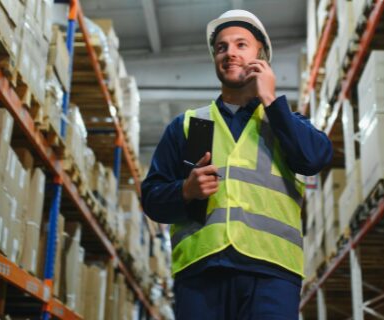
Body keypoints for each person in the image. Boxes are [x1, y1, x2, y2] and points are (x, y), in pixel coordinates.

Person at [141, 10, 333, 319]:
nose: (230, 52)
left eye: (241, 44)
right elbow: (151, 198)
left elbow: (314, 159)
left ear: (261, 55)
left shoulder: (284, 123)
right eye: (221, 47)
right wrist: (185, 191)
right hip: (201, 274)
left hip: (272, 274)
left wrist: (270, 99)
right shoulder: (190, 125)